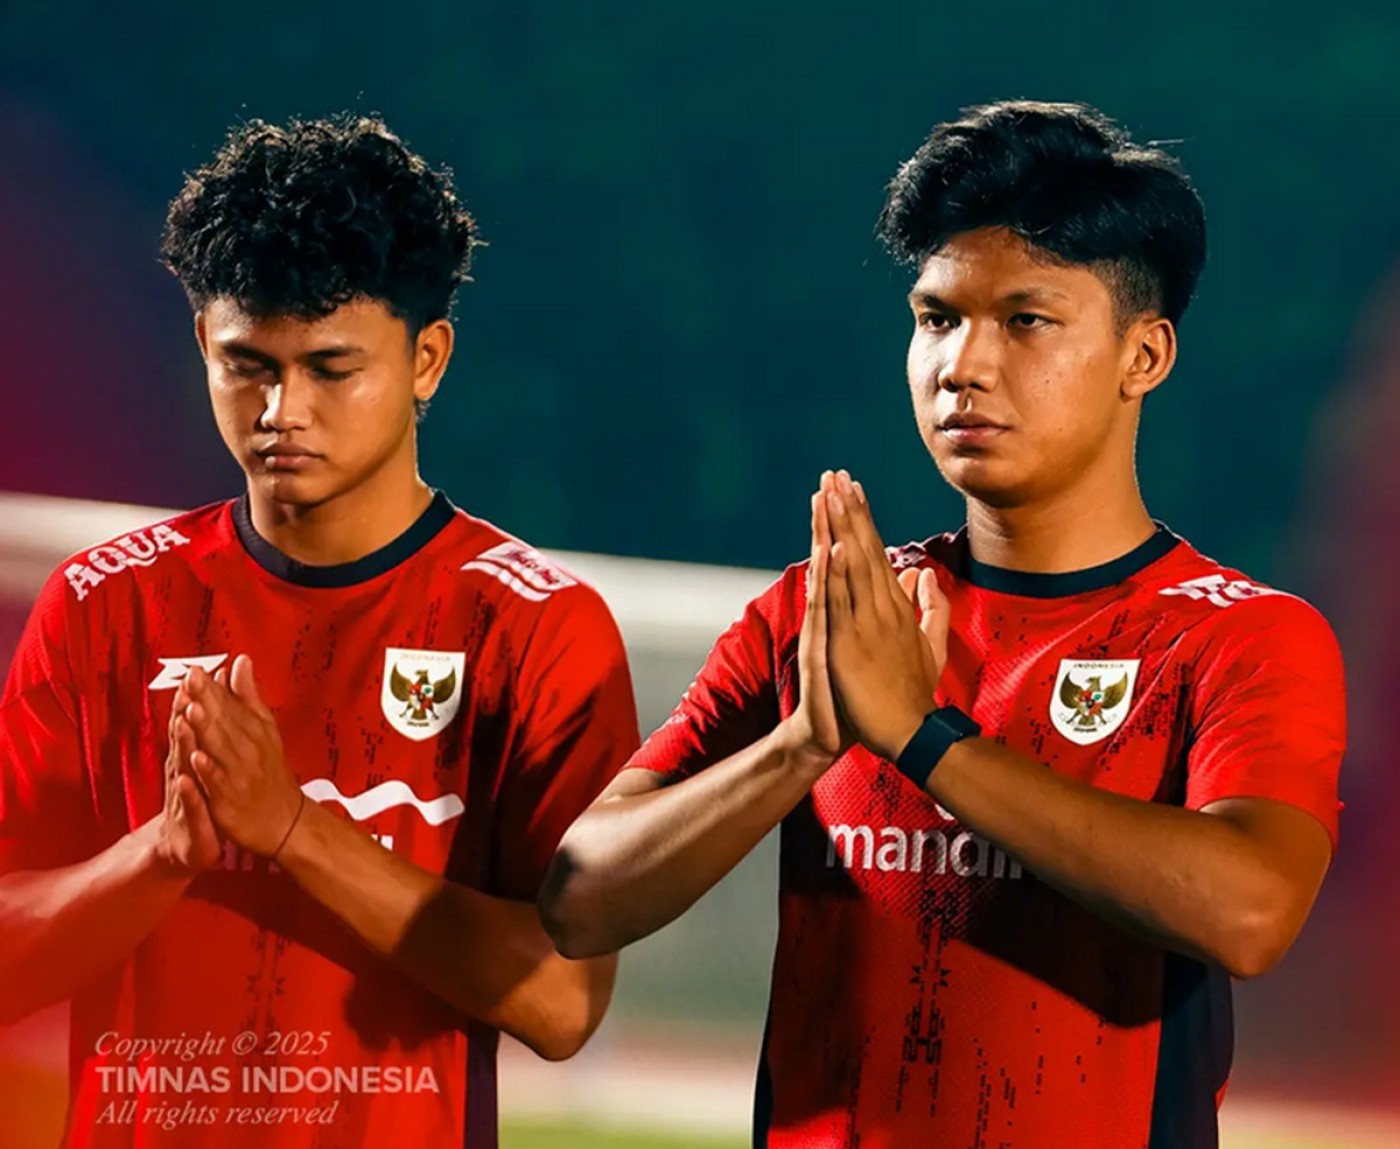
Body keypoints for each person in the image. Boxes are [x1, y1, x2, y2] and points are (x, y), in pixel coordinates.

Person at [540, 100, 1346, 1149]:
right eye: (934, 318)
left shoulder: (1236, 636)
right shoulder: (824, 609)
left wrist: (921, 738)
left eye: (1024, 320)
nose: (959, 365)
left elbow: (1246, 912)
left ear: (1142, 357)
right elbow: (578, 901)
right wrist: (805, 742)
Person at [0, 114, 637, 1148]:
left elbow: (561, 1004)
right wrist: (163, 853)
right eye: (248, 363)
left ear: (427, 357)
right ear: (203, 340)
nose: (280, 409)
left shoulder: (534, 627)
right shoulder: (103, 603)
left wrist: (293, 830)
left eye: (331, 369)